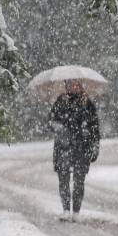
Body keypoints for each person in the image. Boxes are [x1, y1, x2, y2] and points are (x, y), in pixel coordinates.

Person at [49, 79, 100, 221]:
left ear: (81, 85)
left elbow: (95, 128)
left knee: (79, 181)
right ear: (66, 86)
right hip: (63, 147)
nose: (74, 87)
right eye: (71, 84)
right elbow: (51, 121)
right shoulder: (60, 102)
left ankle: (76, 212)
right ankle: (66, 210)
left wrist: (94, 146)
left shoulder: (87, 103)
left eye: (77, 84)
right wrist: (61, 129)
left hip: (82, 148)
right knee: (63, 178)